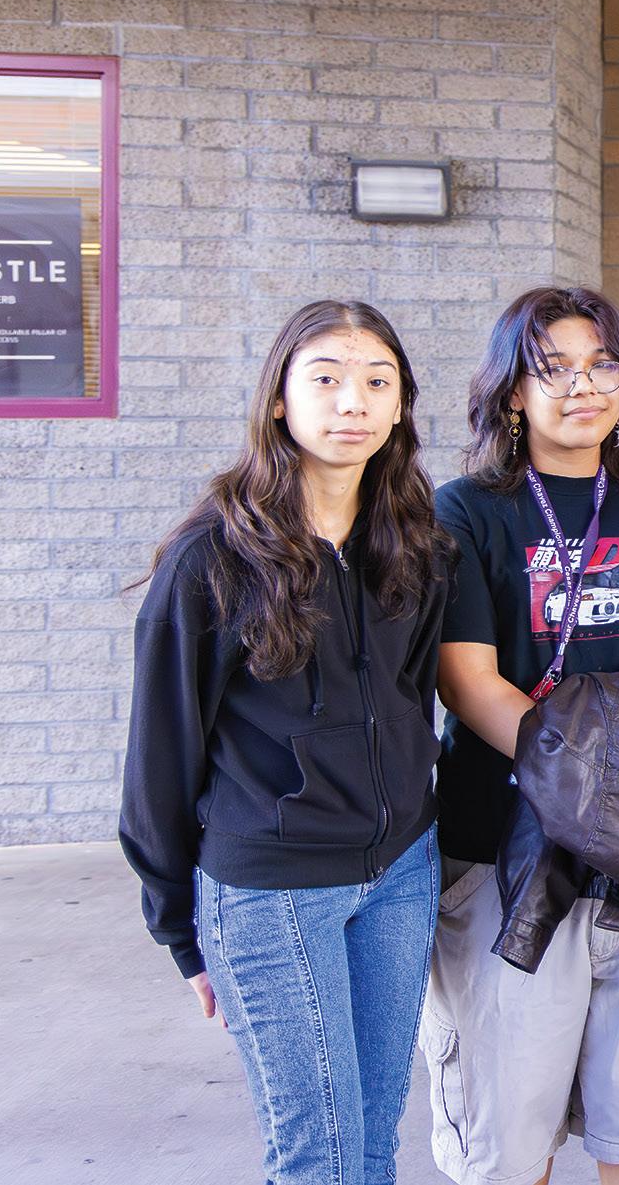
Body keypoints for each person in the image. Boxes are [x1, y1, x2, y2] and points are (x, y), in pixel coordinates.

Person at [119, 300, 451, 1185]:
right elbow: (159, 757)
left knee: (372, 1140)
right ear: (279, 398)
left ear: (401, 405)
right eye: (327, 378)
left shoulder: (416, 546)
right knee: (322, 1158)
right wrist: (182, 930)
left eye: (377, 381)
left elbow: (413, 701)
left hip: (401, 873)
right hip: (272, 887)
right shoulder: (213, 557)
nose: (353, 401)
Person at [424, 286, 619, 1185]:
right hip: (504, 850)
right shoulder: (466, 510)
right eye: (552, 368)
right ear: (512, 391)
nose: (582, 385)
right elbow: (467, 678)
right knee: (510, 1145)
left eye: (601, 364)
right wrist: (595, 772)